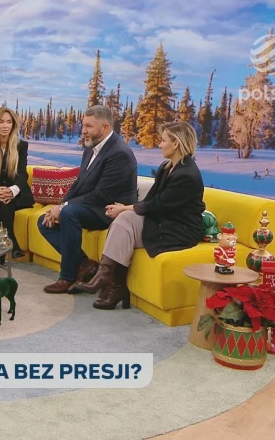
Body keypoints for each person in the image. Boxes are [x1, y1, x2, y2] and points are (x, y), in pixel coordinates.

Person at [76, 120, 205, 310]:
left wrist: (125, 208)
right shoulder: (167, 166)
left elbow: (159, 205)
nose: (160, 144)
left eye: (163, 140)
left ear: (176, 144)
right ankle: (113, 284)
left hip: (179, 229)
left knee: (124, 222)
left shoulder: (187, 174)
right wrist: (126, 209)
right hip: (163, 220)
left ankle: (110, 282)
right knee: (124, 222)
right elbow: (153, 200)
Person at [37, 105, 138, 294]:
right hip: (92, 206)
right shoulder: (91, 148)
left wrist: (65, 207)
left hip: (110, 211)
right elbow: (79, 184)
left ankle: (67, 277)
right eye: (83, 125)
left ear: (105, 127)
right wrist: (59, 205)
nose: (83, 131)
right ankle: (85, 265)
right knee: (45, 221)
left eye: (89, 126)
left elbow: (102, 195)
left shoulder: (119, 154)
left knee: (69, 213)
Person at [0, 107, 34, 260]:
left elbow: (22, 174)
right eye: (1, 122)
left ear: (13, 125)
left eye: (9, 122)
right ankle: (12, 245)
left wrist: (11, 191)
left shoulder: (21, 146)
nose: (5, 126)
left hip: (16, 193)